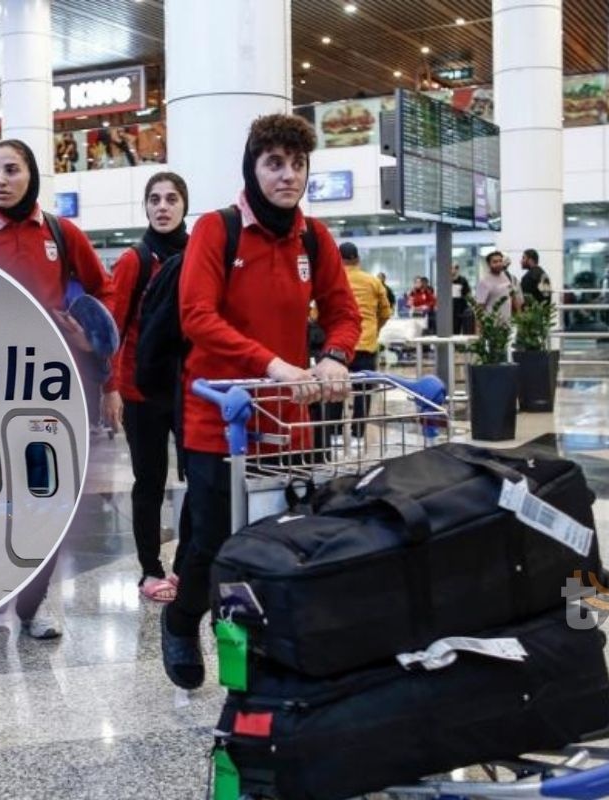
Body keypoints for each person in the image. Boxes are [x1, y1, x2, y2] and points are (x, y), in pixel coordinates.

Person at [159, 113, 361, 690]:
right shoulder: (216, 231)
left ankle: (261, 651)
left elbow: (345, 313)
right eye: (275, 163)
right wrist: (271, 364)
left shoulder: (314, 238)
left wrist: (336, 357)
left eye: (297, 164)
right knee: (210, 543)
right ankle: (180, 619)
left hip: (287, 422)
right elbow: (196, 316)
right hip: (219, 420)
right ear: (252, 166)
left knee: (282, 540)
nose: (288, 175)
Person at [0, 138, 117, 639]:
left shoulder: (62, 235)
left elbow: (104, 290)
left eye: (11, 170)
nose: (0, 180)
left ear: (32, 175)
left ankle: (33, 606)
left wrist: (90, 337)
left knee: (45, 500)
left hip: (50, 388)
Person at [108, 171, 193, 603]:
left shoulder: (201, 255)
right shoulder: (134, 261)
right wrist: (111, 387)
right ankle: (149, 569)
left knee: (201, 477)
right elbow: (114, 327)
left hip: (189, 391)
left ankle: (184, 566)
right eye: (155, 199)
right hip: (142, 391)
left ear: (184, 206)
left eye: (171, 198)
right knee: (150, 482)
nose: (162, 206)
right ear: (146, 207)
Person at [332, 242, 392, 441]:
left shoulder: (333, 280)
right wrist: (374, 329)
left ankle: (333, 433)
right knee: (364, 391)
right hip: (366, 344)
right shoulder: (373, 282)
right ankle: (358, 434)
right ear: (357, 259)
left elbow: (317, 313)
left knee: (335, 390)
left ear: (338, 260)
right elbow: (385, 312)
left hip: (339, 346)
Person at [475, 250, 521, 326]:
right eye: (495, 262)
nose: (499, 264)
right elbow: (480, 308)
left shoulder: (505, 277)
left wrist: (520, 317)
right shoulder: (484, 282)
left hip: (507, 325)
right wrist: (479, 330)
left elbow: (513, 297)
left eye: (500, 261)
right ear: (488, 264)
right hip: (492, 327)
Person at [450, 262, 473, 335]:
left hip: (460, 308)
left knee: (458, 327)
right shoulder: (445, 280)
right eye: (451, 268)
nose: (453, 270)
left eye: (455, 268)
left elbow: (468, 293)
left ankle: (458, 345)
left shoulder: (463, 280)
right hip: (449, 308)